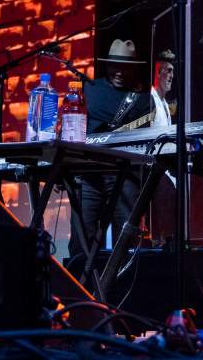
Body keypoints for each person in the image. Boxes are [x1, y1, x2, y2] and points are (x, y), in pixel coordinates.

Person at [68, 38, 153, 262]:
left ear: (134, 68)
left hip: (126, 174)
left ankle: (122, 292)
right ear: (107, 65)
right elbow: (73, 127)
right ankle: (81, 291)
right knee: (81, 240)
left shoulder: (145, 100)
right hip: (89, 173)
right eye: (115, 66)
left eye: (126, 67)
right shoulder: (90, 89)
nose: (120, 72)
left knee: (126, 242)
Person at [148, 49, 175, 130]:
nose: (172, 76)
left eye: (172, 72)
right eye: (169, 71)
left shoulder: (164, 103)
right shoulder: (149, 100)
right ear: (158, 72)